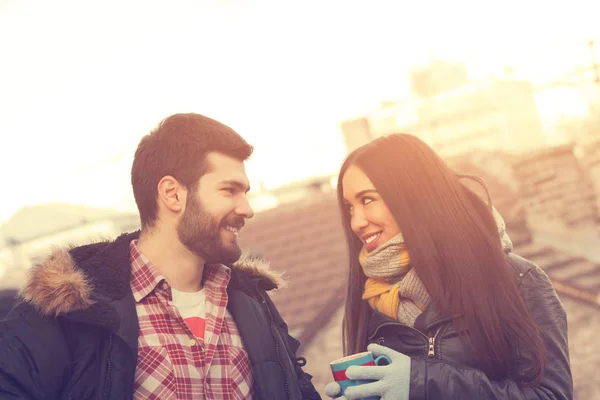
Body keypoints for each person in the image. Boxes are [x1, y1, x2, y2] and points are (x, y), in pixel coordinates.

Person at [0, 113, 321, 400]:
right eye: (229, 190)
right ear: (172, 194)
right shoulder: (67, 309)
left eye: (245, 193)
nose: (246, 209)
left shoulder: (254, 303)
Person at [324, 134, 572, 399]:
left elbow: (552, 396)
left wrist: (423, 382)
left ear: (412, 195)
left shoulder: (518, 280)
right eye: (349, 207)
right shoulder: (370, 299)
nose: (356, 223)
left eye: (368, 200)